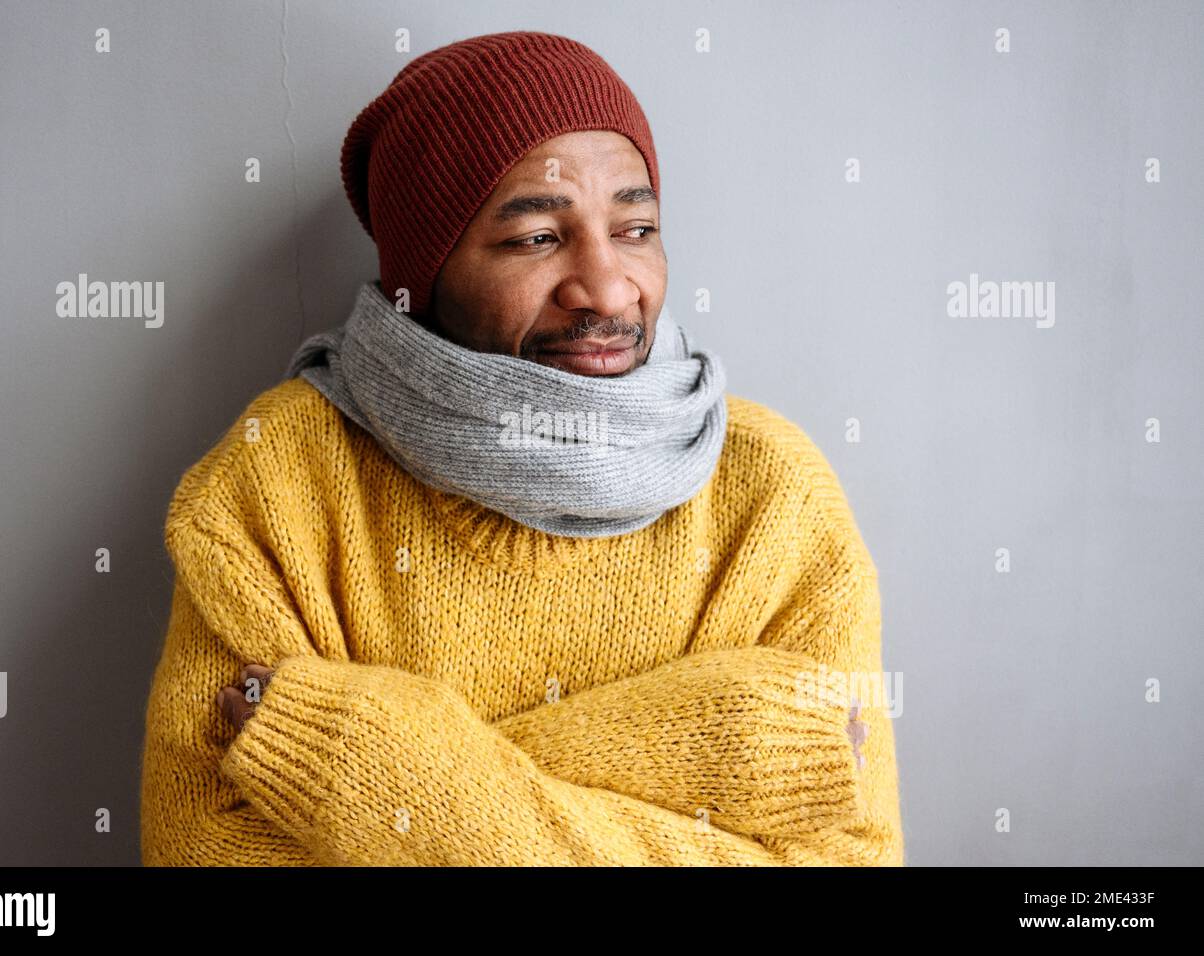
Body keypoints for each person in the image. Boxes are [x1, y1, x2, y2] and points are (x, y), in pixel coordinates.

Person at [139, 30, 904, 866]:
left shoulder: (774, 497)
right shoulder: (278, 484)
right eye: (536, 238)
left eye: (637, 226)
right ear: (424, 277)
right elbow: (206, 851)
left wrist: (386, 775)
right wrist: (701, 754)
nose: (609, 288)